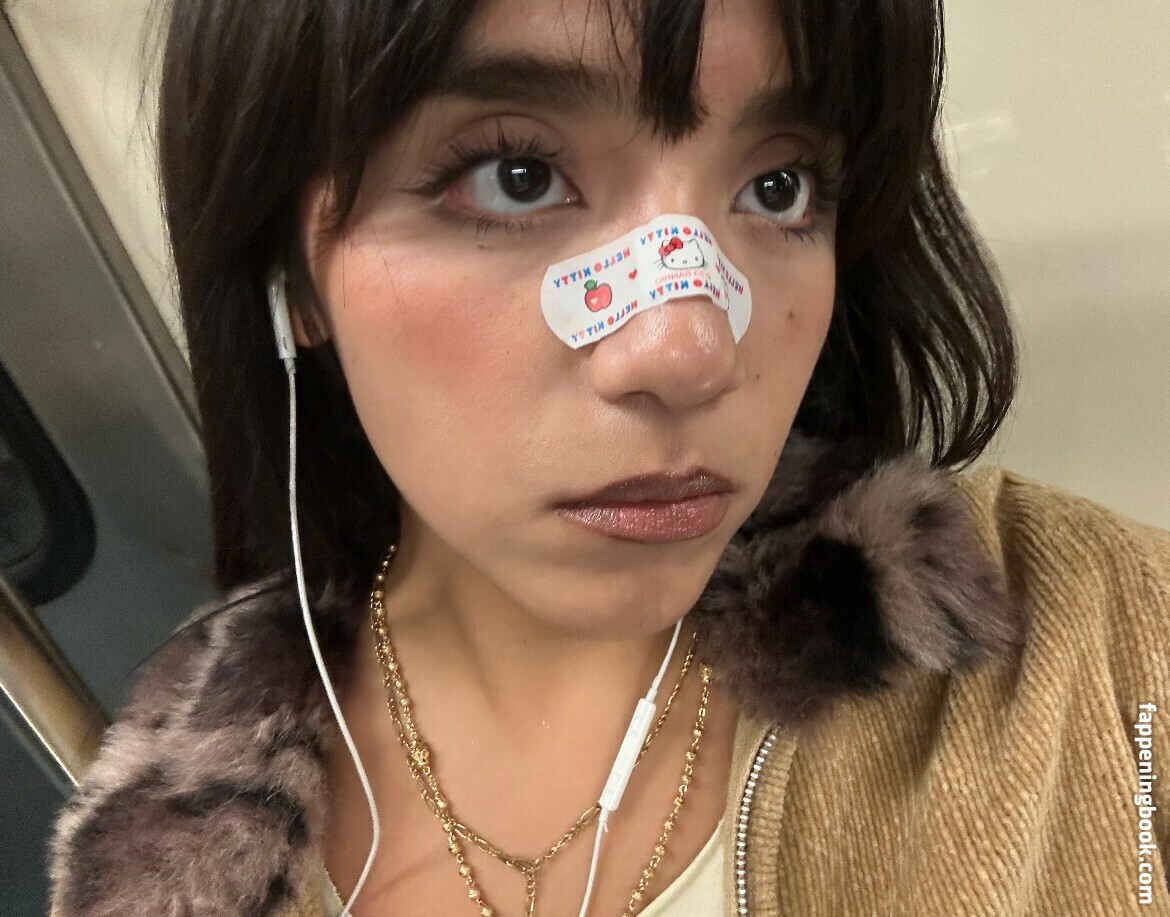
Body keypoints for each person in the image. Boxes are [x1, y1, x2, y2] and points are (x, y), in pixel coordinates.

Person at [45, 0, 1169, 914]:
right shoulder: (160, 842)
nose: (690, 348)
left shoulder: (1097, 646)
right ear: (293, 276)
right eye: (515, 175)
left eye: (777, 186)